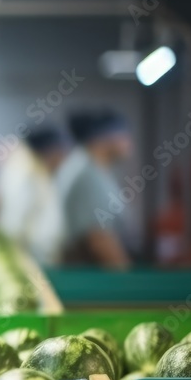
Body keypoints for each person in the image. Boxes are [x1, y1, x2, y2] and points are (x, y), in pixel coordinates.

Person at [54, 108, 134, 269]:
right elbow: (99, 238)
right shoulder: (89, 178)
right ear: (104, 139)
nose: (129, 142)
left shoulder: (96, 171)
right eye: (123, 135)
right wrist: (127, 281)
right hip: (96, 278)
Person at [0, 124, 71, 266]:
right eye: (62, 153)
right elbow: (13, 227)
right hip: (31, 262)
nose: (63, 160)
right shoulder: (22, 175)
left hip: (42, 259)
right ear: (51, 151)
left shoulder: (39, 170)